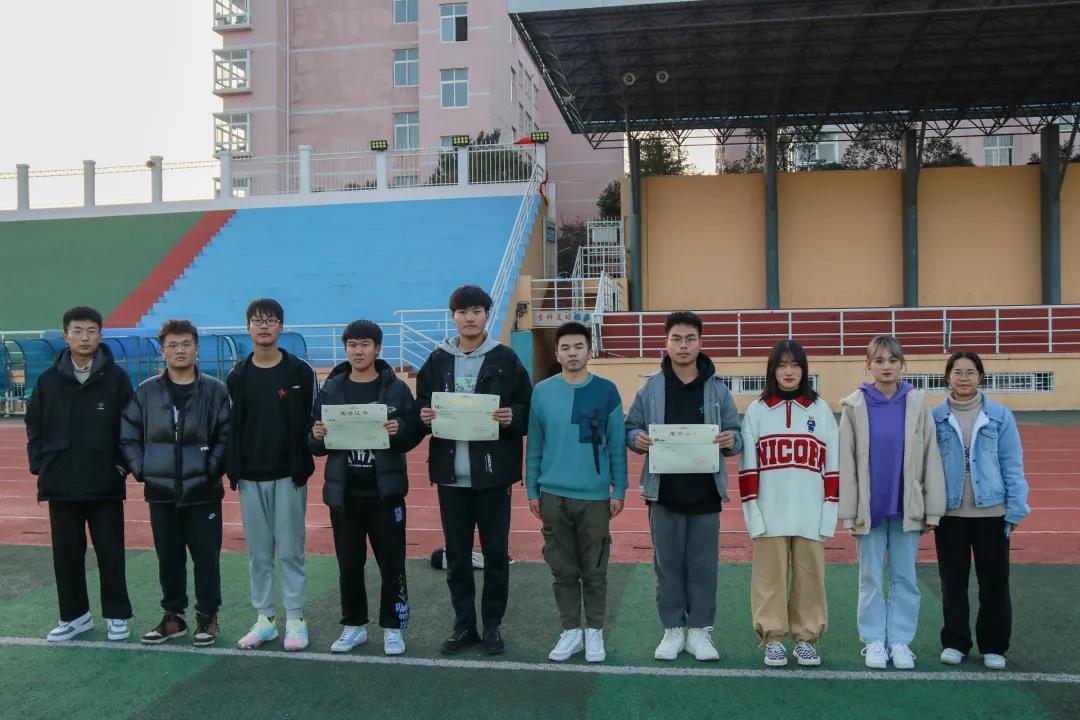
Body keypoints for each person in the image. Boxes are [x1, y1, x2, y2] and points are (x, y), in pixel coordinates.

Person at [415, 285, 532, 656]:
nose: (469, 317)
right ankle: (464, 625)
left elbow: (526, 405)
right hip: (451, 476)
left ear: (486, 315)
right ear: (453, 316)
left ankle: (492, 625)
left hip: (493, 475)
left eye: (477, 311)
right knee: (457, 556)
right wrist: (422, 415)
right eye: (463, 311)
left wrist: (514, 416)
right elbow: (421, 402)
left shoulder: (505, 359)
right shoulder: (437, 360)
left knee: (496, 555)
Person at [625, 310, 742, 662]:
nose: (683, 346)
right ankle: (673, 629)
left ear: (701, 343)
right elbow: (631, 427)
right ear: (666, 343)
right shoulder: (651, 388)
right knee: (668, 565)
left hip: (705, 492)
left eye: (690, 339)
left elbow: (736, 434)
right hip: (663, 493)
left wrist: (730, 440)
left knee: (703, 565)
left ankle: (700, 631)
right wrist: (637, 438)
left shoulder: (718, 390)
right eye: (676, 339)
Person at [309, 320, 423, 656]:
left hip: (385, 493)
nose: (358, 351)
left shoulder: (395, 388)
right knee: (349, 564)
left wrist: (400, 428)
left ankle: (393, 626)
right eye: (352, 345)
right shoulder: (331, 389)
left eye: (365, 344)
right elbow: (314, 442)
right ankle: (354, 624)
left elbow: (413, 434)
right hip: (345, 494)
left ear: (377, 348)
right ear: (345, 348)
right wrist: (316, 435)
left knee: (392, 563)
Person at [26, 306, 134, 643]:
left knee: (111, 552)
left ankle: (116, 615)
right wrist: (40, 464)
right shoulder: (48, 381)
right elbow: (34, 425)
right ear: (66, 336)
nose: (84, 337)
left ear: (100, 335)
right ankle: (75, 617)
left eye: (90, 331)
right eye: (77, 331)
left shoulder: (116, 380)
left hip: (104, 482)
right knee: (66, 555)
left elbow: (131, 427)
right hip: (61, 482)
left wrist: (121, 466)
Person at [120, 320, 231, 647]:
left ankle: (207, 615)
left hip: (203, 491)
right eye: (172, 345)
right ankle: (173, 617)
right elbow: (128, 435)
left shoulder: (215, 390)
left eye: (185, 344)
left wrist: (211, 467)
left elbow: (227, 434)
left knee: (206, 557)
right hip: (161, 492)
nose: (179, 350)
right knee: (168, 557)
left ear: (196, 348)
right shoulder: (147, 391)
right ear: (162, 351)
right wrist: (143, 469)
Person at [838, 334, 945, 670]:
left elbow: (930, 457)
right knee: (870, 577)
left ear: (902, 364)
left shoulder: (917, 403)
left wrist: (933, 509)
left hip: (906, 506)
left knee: (905, 577)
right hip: (869, 508)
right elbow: (846, 462)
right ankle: (873, 640)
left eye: (893, 360)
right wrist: (849, 512)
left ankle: (899, 641)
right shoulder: (854, 405)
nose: (886, 366)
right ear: (868, 365)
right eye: (879, 360)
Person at [526, 322, 627, 663]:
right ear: (557, 353)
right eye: (565, 348)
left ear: (589, 350)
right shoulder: (542, 392)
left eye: (578, 347)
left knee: (595, 569)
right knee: (562, 568)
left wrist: (619, 489)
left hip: (595, 497)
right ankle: (571, 631)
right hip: (553, 495)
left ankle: (594, 631)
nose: (572, 353)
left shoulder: (607, 391)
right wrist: (532, 489)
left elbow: (616, 446)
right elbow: (535, 446)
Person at [226, 298, 318, 652]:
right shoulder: (237, 375)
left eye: (270, 320)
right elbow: (233, 426)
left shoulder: (300, 372)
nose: (264, 326)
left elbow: (313, 420)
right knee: (259, 554)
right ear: (247, 327)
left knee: (291, 551)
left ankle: (295, 618)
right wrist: (234, 469)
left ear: (281, 326)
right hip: (250, 478)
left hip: (288, 476)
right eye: (257, 320)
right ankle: (265, 619)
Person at [739, 340, 839, 668]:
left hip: (810, 512)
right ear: (772, 370)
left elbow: (833, 465)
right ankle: (773, 638)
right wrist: (753, 513)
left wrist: (829, 510)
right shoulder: (757, 410)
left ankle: (806, 638)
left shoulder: (819, 409)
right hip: (770, 513)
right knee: (769, 579)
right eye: (781, 365)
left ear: (804, 370)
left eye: (795, 365)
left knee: (811, 578)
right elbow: (748, 468)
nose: (788, 371)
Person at [932, 351, 1030, 670]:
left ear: (980, 377)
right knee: (953, 582)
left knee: (994, 582)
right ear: (947, 377)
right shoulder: (934, 417)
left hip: (992, 513)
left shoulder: (1000, 415)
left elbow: (1012, 463)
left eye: (970, 372)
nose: (964, 378)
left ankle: (994, 645)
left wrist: (1016, 507)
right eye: (958, 372)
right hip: (950, 514)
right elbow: (926, 467)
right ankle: (955, 642)